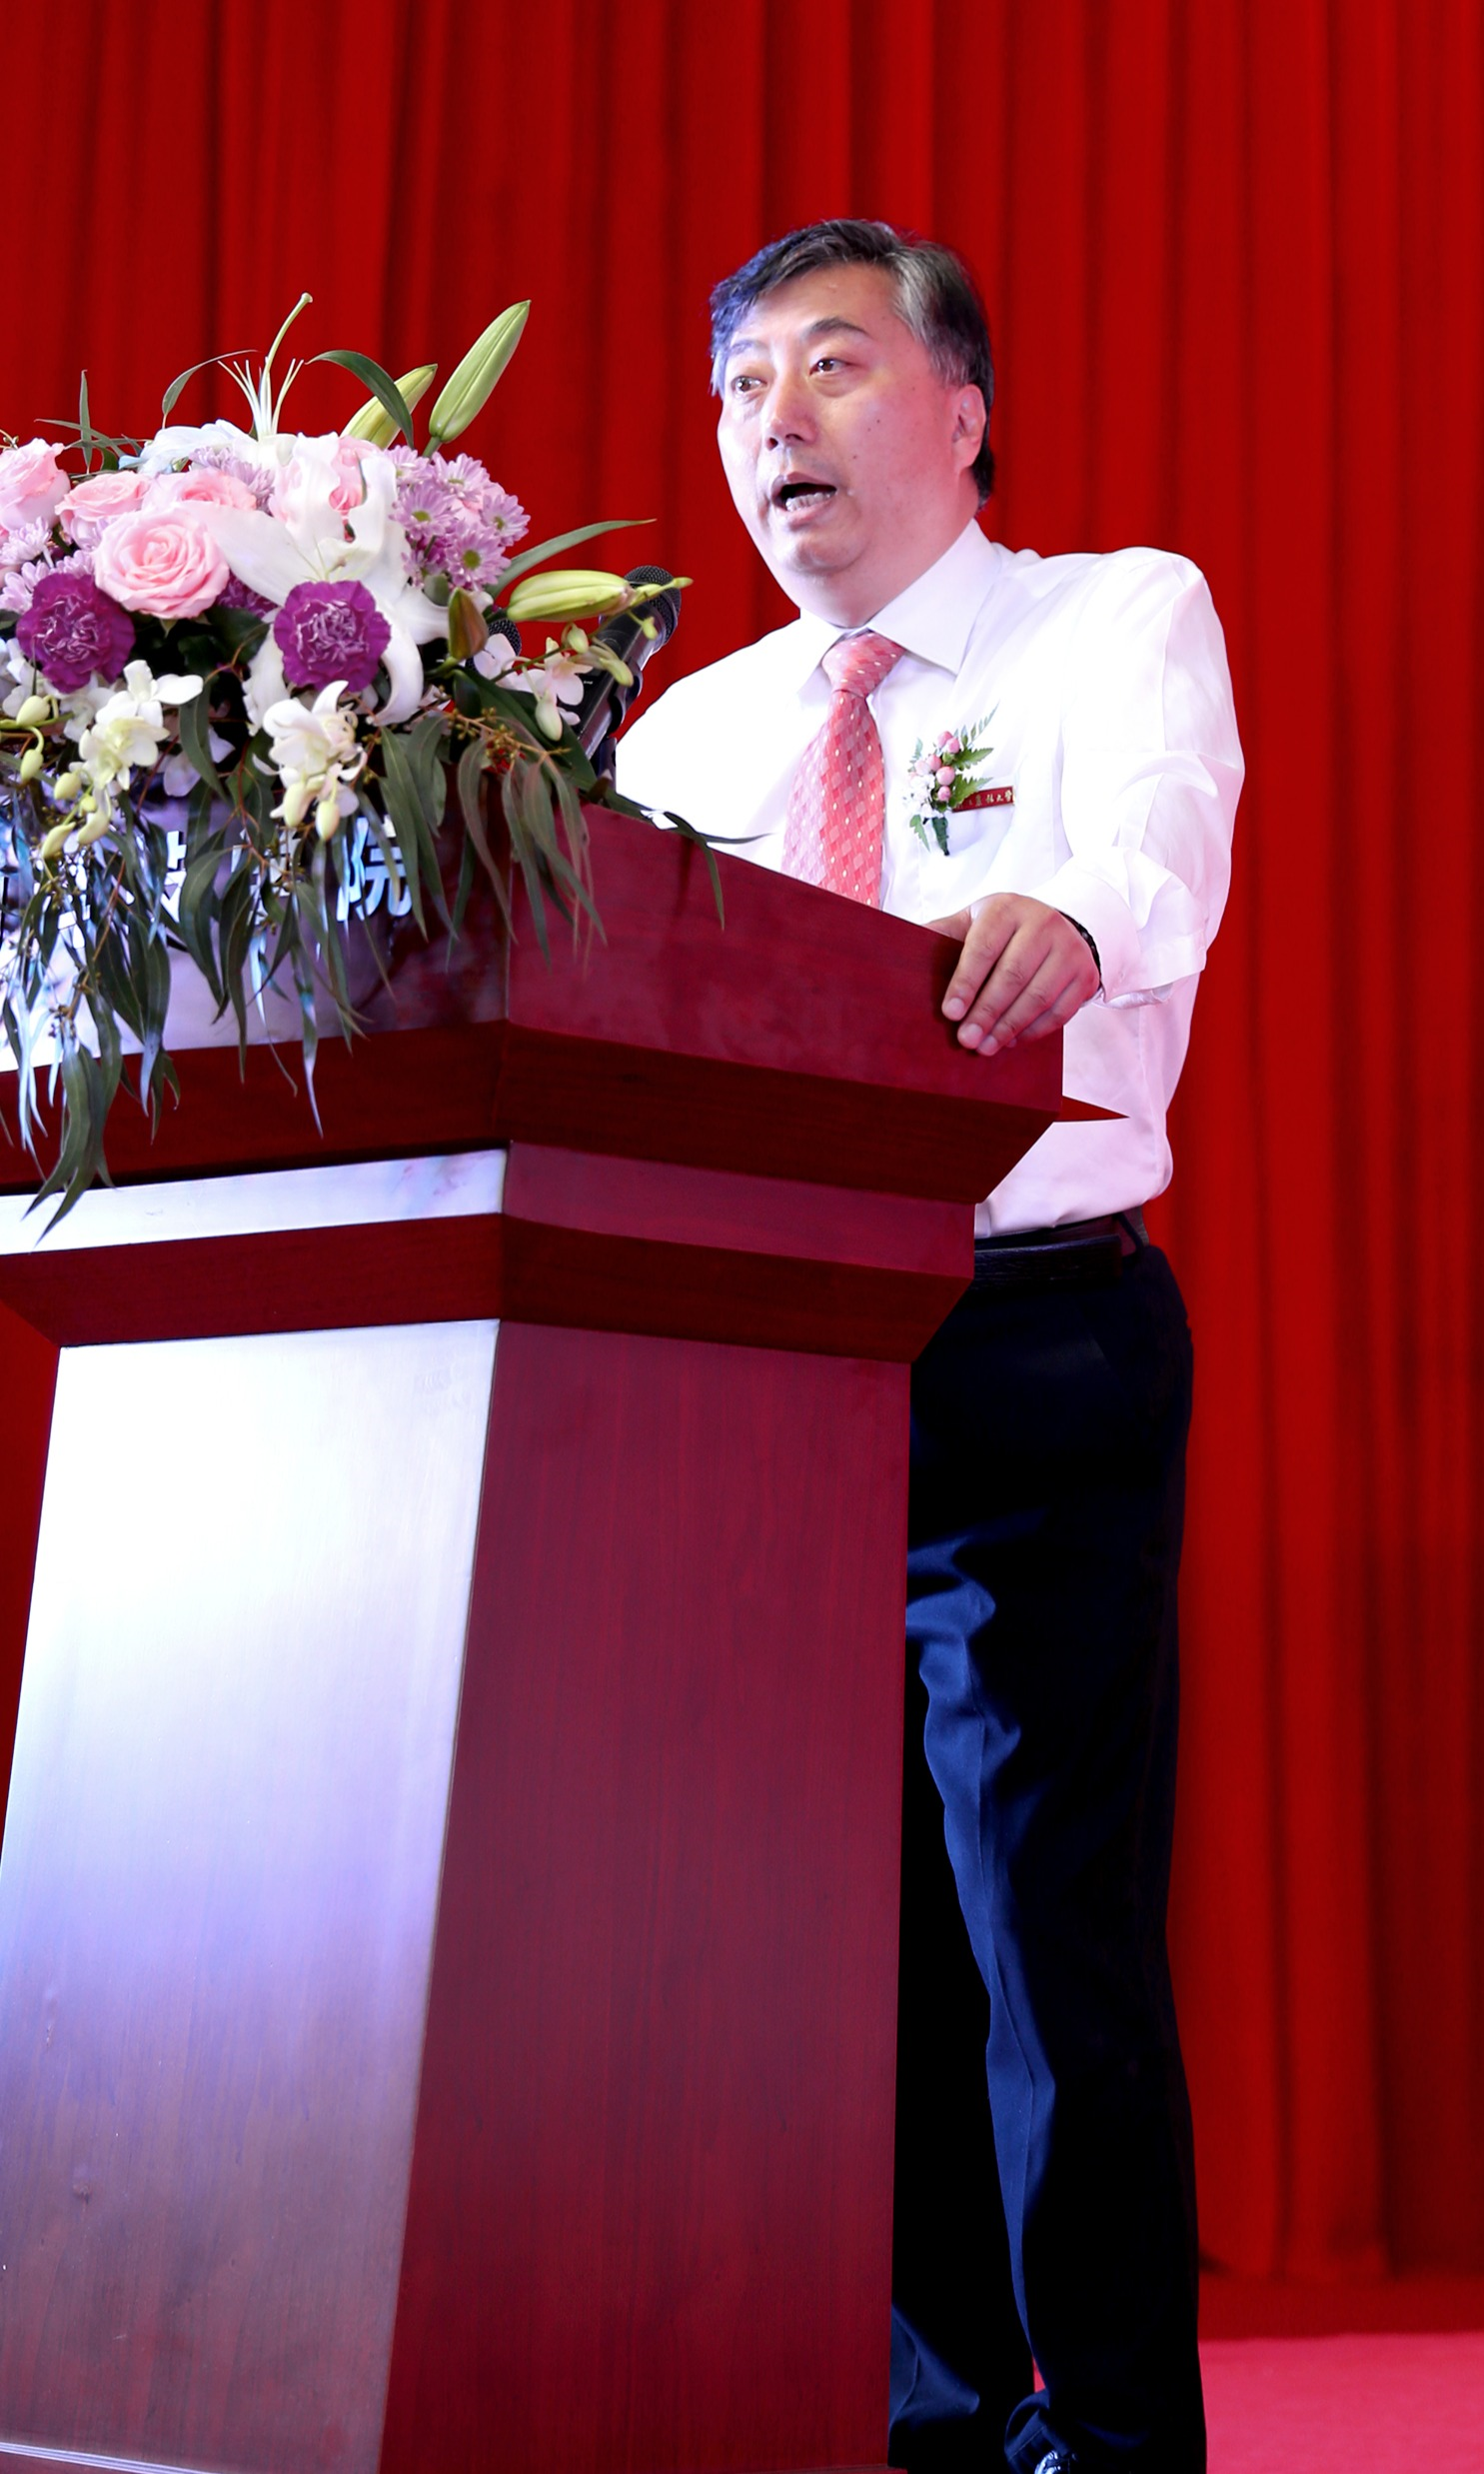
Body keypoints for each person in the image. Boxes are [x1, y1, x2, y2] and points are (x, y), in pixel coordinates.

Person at [616, 219, 1242, 2474]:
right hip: (755, 1359)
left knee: (1037, 1922)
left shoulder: (1111, 617)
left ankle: (1117, 2433)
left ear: (962, 410)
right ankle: (937, 2419)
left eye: (832, 364)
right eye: (740, 386)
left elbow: (1160, 844)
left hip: (1025, 1338)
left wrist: (1062, 912)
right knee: (838, 1936)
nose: (771, 418)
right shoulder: (684, 731)